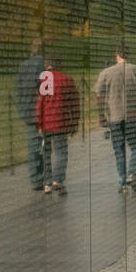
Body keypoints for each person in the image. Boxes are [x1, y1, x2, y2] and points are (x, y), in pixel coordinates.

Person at [94, 41, 136, 193]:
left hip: (115, 116)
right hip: (133, 114)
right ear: (129, 54)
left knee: (119, 149)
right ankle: (133, 173)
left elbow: (99, 96)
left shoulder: (105, 73)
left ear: (117, 55)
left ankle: (123, 182)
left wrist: (101, 115)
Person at [36, 53, 81, 194]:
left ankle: (47, 184)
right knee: (61, 153)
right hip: (61, 123)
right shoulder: (67, 79)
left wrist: (39, 124)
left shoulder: (46, 80)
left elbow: (40, 104)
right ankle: (58, 180)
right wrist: (74, 122)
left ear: (48, 65)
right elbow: (74, 104)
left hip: (47, 123)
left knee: (47, 153)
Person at [14, 40, 47, 191]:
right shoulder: (45, 67)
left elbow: (18, 92)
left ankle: (36, 178)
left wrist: (22, 111)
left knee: (32, 147)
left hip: (28, 113)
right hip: (44, 112)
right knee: (45, 146)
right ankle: (45, 177)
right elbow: (47, 92)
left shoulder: (22, 67)